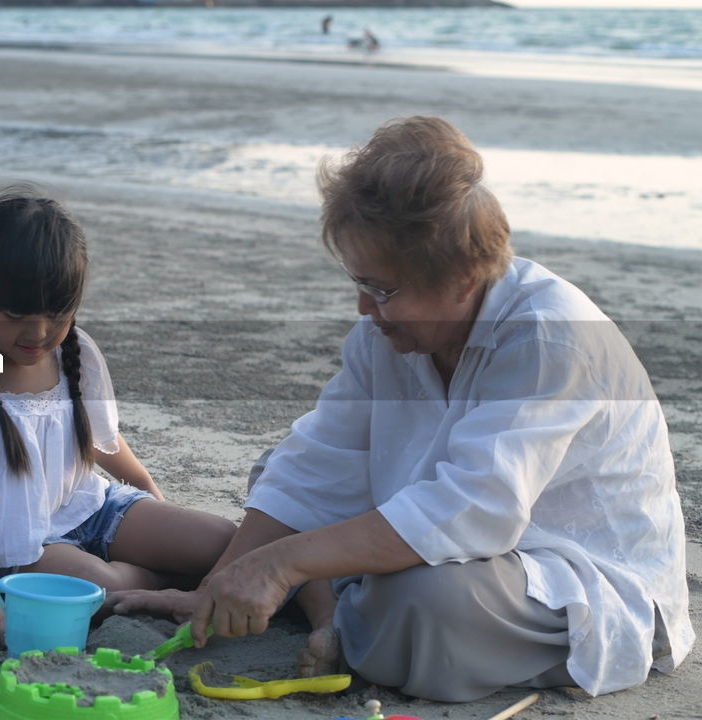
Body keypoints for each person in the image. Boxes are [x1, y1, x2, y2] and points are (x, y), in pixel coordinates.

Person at [109, 116, 692, 701]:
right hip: (459, 549)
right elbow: (318, 461)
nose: (366, 307)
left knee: (419, 601)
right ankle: (338, 605)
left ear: (464, 277)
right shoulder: (388, 331)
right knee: (279, 472)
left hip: (572, 572)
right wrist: (218, 585)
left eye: (384, 289)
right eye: (358, 282)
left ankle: (338, 608)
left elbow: (473, 509)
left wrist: (282, 565)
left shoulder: (550, 334)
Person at [0, 186, 237, 651]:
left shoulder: (76, 352)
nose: (38, 333)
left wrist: (154, 502)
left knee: (223, 540)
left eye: (56, 315)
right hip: (25, 543)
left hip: (93, 508)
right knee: (95, 592)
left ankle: (175, 578)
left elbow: (108, 443)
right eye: (18, 314)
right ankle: (168, 586)